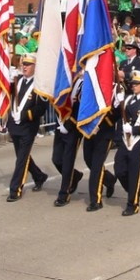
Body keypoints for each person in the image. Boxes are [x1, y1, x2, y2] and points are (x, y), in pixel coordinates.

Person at [5, 54, 48, 202]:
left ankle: (15, 189)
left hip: (28, 127)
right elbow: (7, 96)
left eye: (28, 64)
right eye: (24, 64)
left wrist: (24, 116)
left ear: (35, 67)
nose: (24, 67)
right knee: (22, 156)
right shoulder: (17, 81)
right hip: (15, 126)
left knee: (21, 160)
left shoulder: (39, 85)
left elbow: (41, 108)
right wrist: (9, 81)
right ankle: (39, 176)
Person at [114, 69, 140, 216]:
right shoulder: (127, 100)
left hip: (139, 143)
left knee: (133, 174)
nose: (133, 86)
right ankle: (136, 190)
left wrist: (133, 129)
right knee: (119, 170)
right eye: (132, 84)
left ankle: (133, 204)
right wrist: (117, 102)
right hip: (126, 142)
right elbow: (119, 119)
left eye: (137, 84)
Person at [51, 79, 84, 207]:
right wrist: (61, 120)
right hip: (60, 125)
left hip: (73, 128)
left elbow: (82, 107)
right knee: (56, 159)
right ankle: (75, 176)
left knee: (68, 162)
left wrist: (69, 123)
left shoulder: (83, 85)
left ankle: (64, 194)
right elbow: (57, 101)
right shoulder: (63, 80)